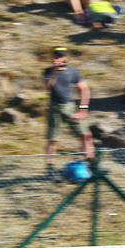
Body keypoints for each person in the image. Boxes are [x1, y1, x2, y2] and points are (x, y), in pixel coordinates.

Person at [44, 46, 94, 177]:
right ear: (52, 57)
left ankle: (92, 164)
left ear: (65, 57)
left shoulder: (73, 71)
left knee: (85, 135)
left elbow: (84, 89)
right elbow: (48, 87)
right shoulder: (48, 71)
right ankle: (50, 169)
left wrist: (82, 110)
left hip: (70, 106)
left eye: (60, 56)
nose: (58, 58)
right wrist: (54, 71)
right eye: (56, 56)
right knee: (52, 139)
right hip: (55, 107)